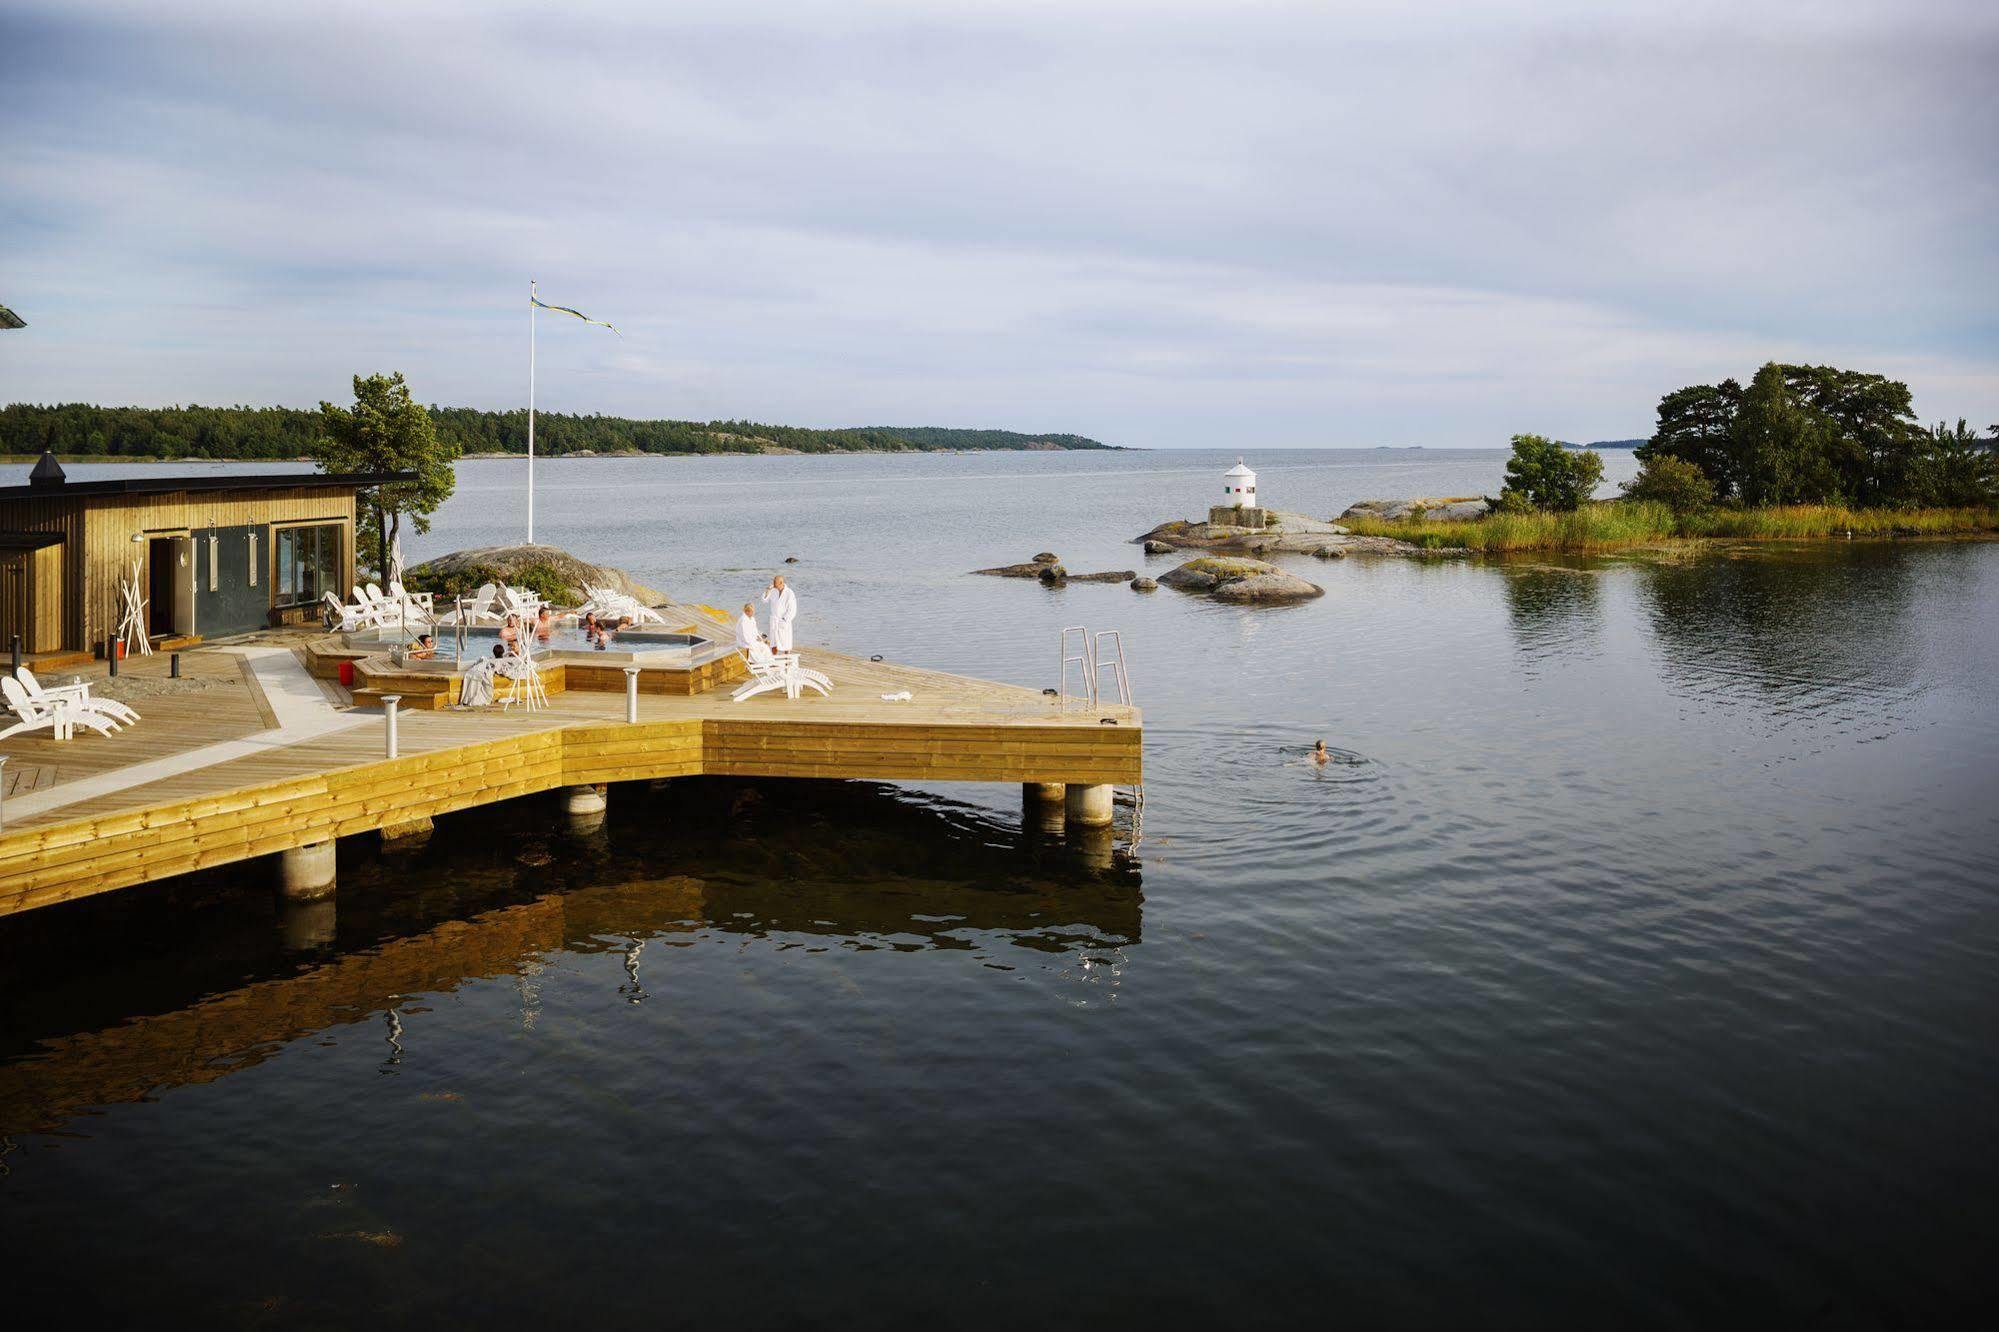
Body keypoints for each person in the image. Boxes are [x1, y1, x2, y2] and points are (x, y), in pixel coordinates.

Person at [761, 575, 797, 652]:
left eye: (775, 582)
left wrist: (785, 619)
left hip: (783, 621)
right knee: (773, 643)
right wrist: (767, 590)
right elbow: (764, 600)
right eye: (773, 581)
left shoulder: (789, 593)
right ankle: (773, 661)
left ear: (781, 583)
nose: (773, 583)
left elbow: (792, 609)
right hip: (774, 621)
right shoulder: (772, 591)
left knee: (786, 643)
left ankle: (787, 661)